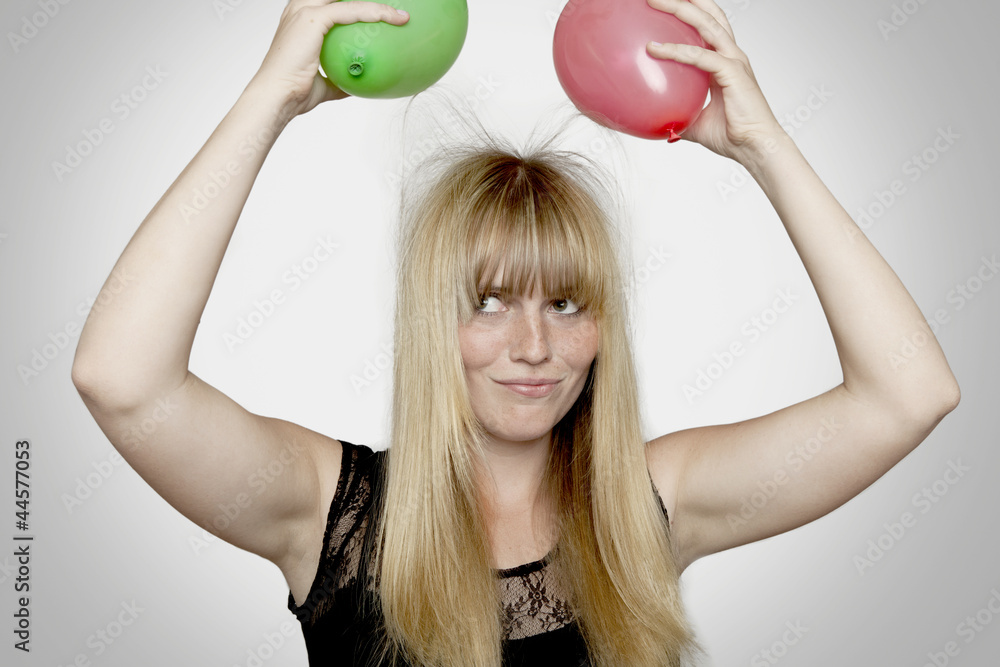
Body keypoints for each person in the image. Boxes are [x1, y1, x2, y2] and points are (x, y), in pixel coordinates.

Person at [70, 0, 961, 666]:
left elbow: (909, 393)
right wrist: (269, 101)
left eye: (566, 304)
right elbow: (121, 378)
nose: (534, 345)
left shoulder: (649, 509)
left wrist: (764, 146)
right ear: (434, 320)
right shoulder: (326, 512)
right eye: (490, 301)